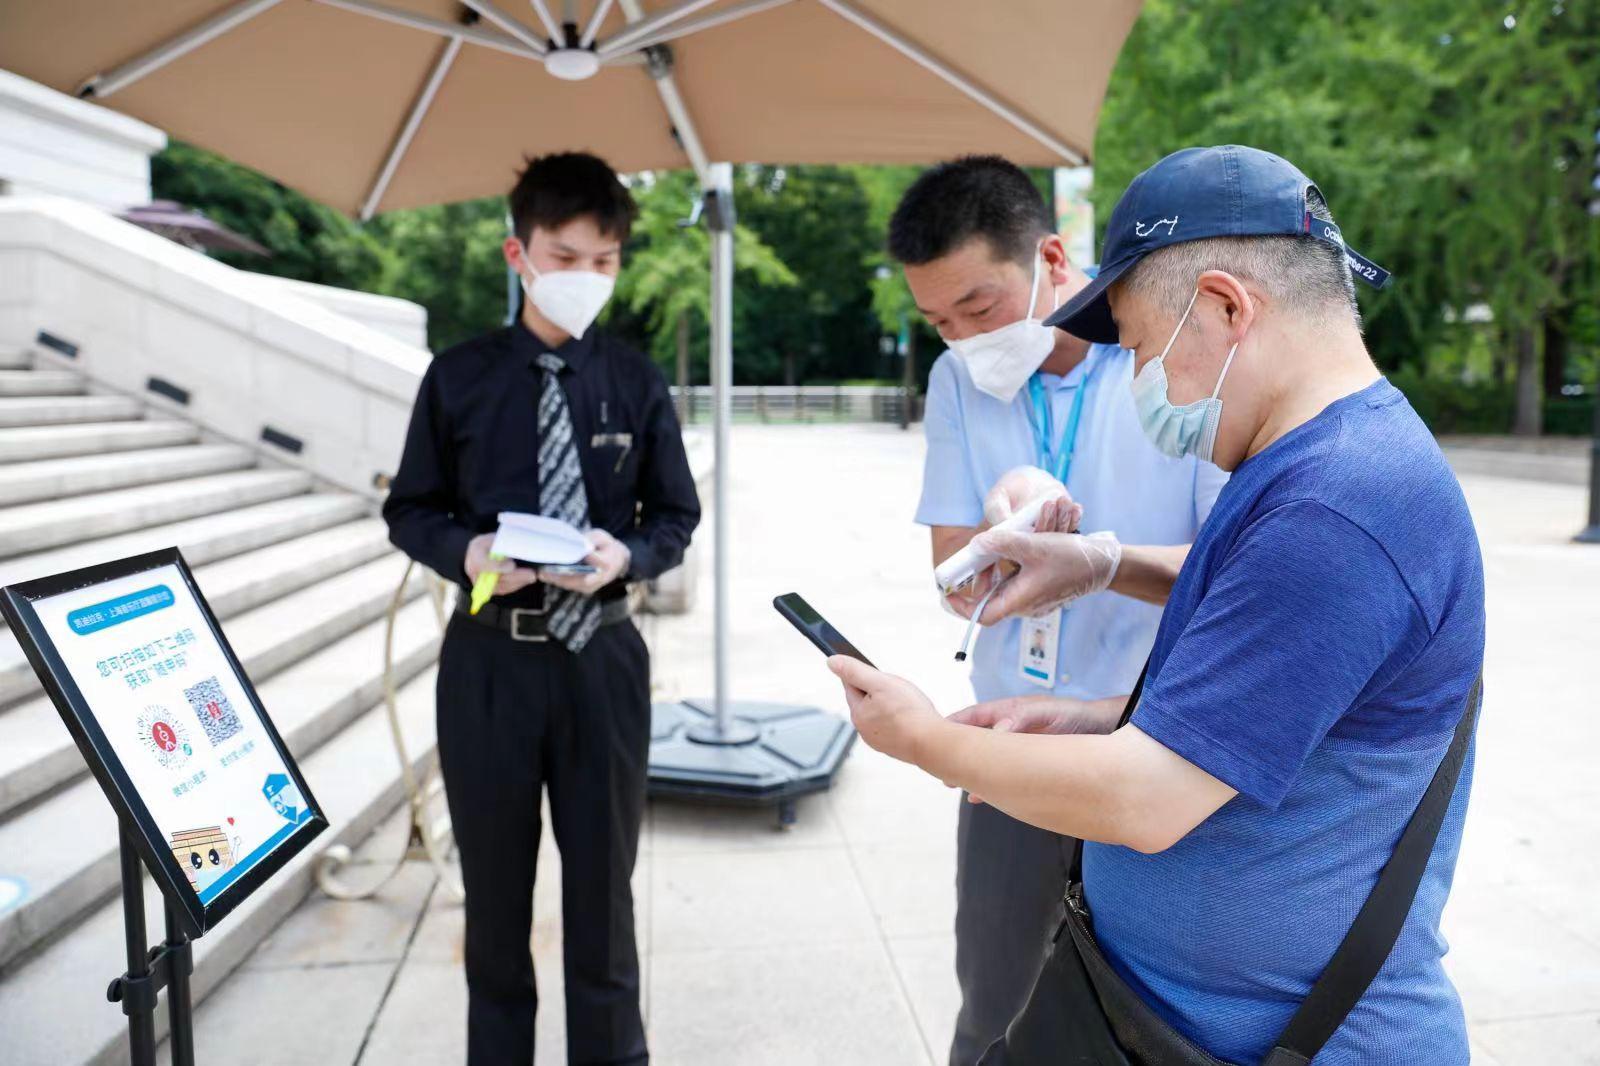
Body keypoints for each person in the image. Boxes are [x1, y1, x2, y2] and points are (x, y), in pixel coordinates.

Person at [829, 145, 1485, 1063]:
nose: (1144, 383)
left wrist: (925, 740)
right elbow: (1270, 717)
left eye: (1139, 348)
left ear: (1225, 307)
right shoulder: (1303, 466)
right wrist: (1094, 710)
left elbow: (1148, 799)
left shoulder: (1337, 505)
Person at [887, 156, 1227, 1065]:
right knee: (993, 1005)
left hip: (1147, 739)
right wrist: (994, 542)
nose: (965, 337)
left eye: (980, 306)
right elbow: (956, 580)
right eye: (939, 321)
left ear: (1050, 257)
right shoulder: (958, 381)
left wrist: (1099, 564)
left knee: (1148, 1023)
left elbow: (1231, 573)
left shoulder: (1165, 356)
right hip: (1014, 742)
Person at [384, 151, 700, 1066]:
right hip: (490, 661)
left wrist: (626, 557)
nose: (586, 278)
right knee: (495, 899)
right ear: (518, 253)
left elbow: (675, 515)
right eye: (566, 257)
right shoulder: (458, 376)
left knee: (604, 895)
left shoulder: (636, 380)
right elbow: (410, 509)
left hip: (603, 659)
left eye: (605, 260)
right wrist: (469, 551)